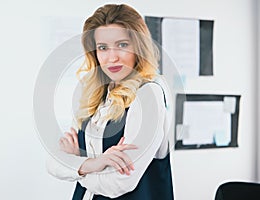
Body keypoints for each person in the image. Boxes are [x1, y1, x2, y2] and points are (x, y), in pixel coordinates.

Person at [46, 4, 174, 200]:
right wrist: (94, 164)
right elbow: (52, 162)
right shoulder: (91, 93)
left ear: (139, 47)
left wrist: (77, 166)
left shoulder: (148, 95)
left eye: (122, 45)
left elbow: (120, 183)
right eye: (103, 48)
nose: (112, 57)